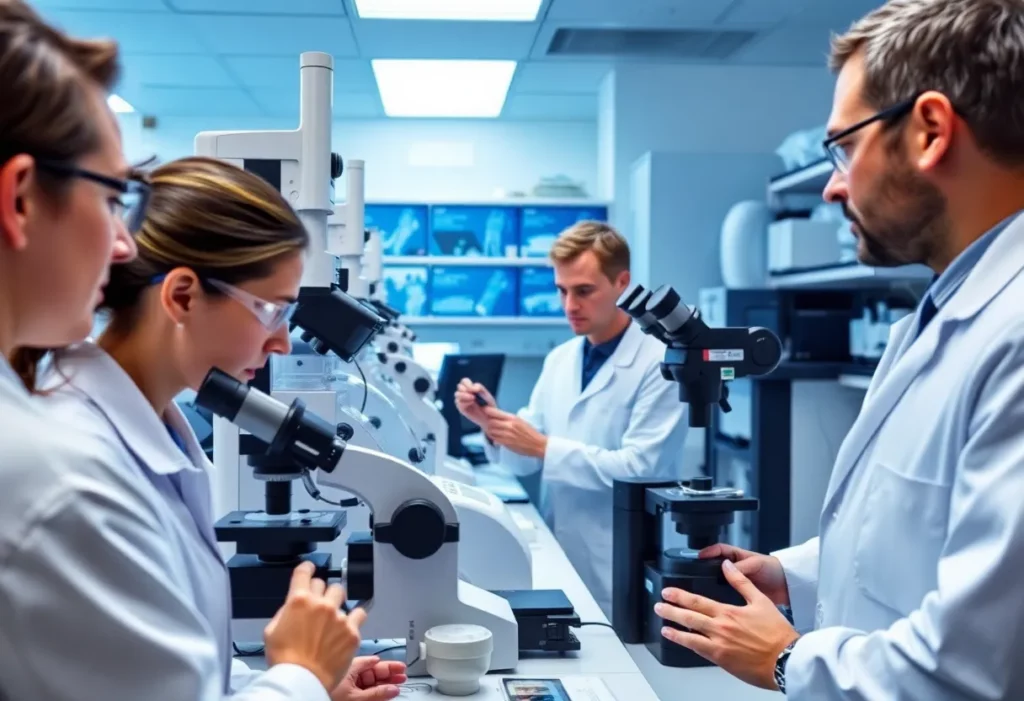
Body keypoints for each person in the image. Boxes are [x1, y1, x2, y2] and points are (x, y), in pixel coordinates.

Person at [655, 1, 1024, 698]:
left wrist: (790, 659)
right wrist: (791, 574)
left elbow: (974, 667)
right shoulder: (937, 314)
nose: (830, 184)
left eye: (844, 147)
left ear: (931, 131)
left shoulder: (1013, 336)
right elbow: (910, 532)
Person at [3, 157, 408, 697]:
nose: (283, 343)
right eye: (273, 312)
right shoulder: (79, 480)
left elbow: (170, 667)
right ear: (183, 296)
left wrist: (302, 685)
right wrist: (300, 675)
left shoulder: (165, 431)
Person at [455, 221, 689, 616]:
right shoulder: (560, 359)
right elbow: (527, 457)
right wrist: (491, 423)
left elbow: (643, 468)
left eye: (583, 291)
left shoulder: (659, 362)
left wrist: (545, 447)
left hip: (623, 553)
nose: (569, 306)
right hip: (560, 545)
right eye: (562, 291)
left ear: (623, 283)